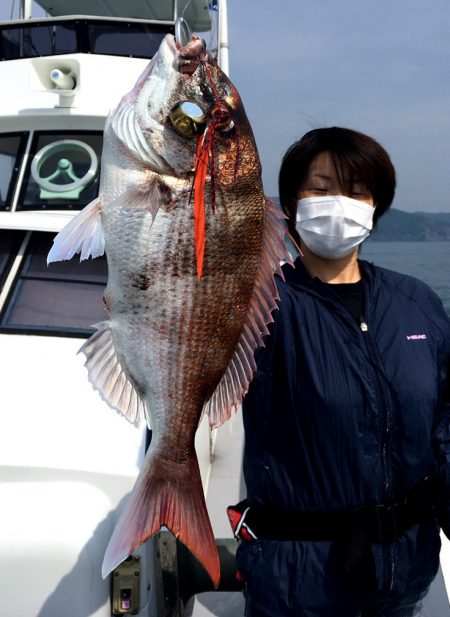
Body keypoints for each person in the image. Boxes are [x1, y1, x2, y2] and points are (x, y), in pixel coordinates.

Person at [230, 127, 450, 617]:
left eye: (355, 192)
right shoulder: (257, 301)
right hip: (297, 585)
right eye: (321, 187)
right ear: (290, 201)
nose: (338, 203)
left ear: (376, 207)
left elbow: (445, 423)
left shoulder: (417, 303)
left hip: (405, 576)